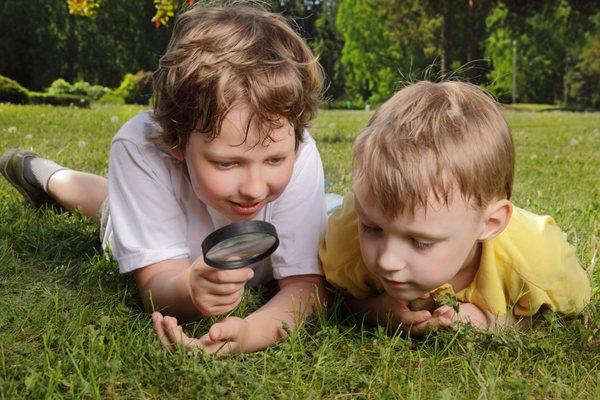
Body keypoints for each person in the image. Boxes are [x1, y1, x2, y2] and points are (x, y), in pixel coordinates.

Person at [1, 4, 328, 355]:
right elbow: (156, 285)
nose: (254, 187)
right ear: (176, 140)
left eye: (275, 159)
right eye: (226, 163)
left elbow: (307, 287)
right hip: (151, 228)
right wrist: (189, 290)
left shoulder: (300, 150)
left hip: (163, 206)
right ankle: (47, 175)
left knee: (112, 200)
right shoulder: (140, 147)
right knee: (108, 209)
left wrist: (249, 333)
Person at [319, 81, 591, 335]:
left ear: (490, 224)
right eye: (372, 228)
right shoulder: (347, 242)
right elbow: (332, 295)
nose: (387, 260)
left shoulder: (539, 263)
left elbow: (566, 310)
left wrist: (490, 321)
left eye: (421, 242)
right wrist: (376, 311)